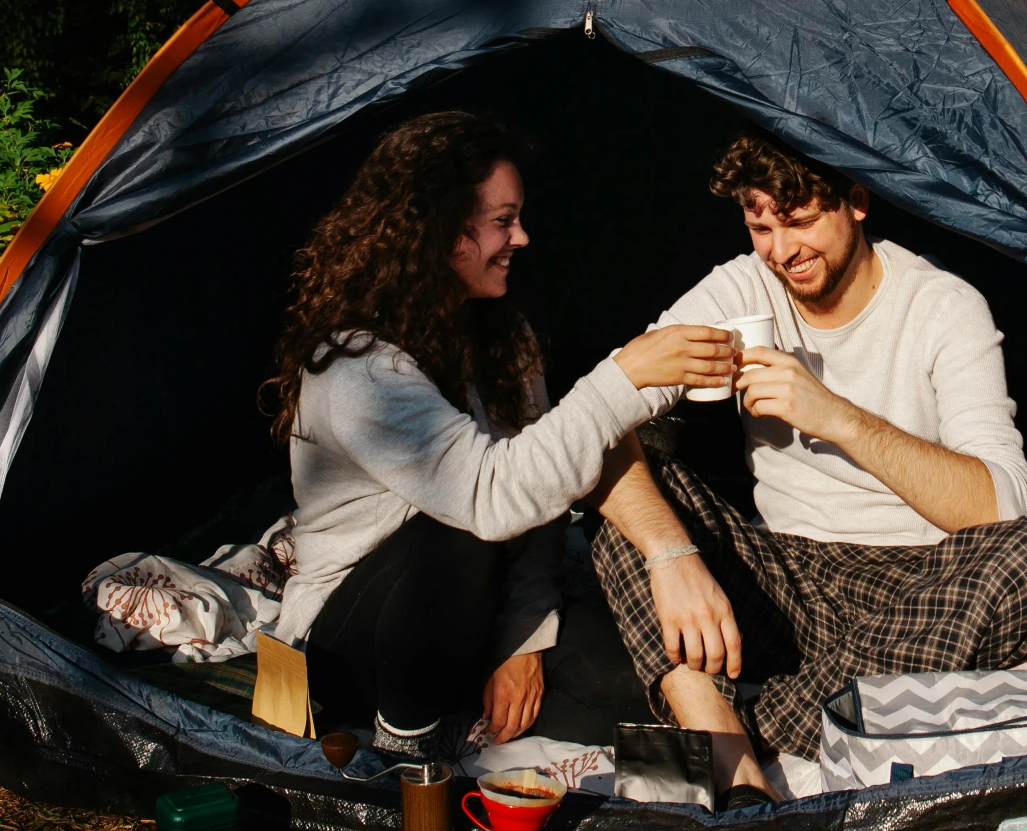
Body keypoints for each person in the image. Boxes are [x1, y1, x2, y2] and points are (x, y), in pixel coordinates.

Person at [591, 134, 1027, 796]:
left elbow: (998, 504)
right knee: (639, 494)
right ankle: (733, 760)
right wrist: (671, 556)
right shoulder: (741, 289)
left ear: (857, 202)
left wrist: (836, 416)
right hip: (781, 576)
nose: (781, 251)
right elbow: (598, 414)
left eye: (799, 222)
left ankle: (743, 723)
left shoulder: (942, 306)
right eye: (760, 227)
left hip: (917, 586)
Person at [267, 111, 734, 755]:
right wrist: (622, 379)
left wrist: (527, 636)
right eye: (502, 220)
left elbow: (539, 510)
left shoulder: (501, 340)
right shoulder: (356, 367)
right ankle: (408, 760)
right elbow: (488, 497)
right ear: (436, 230)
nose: (522, 237)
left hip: (475, 619)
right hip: (355, 639)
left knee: (630, 691)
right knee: (456, 526)